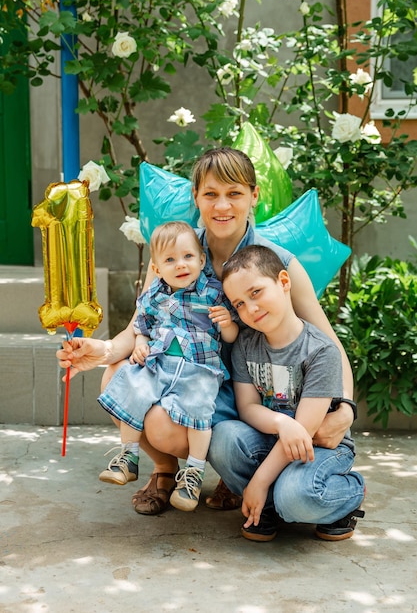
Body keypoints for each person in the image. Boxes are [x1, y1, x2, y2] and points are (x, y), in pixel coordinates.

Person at [57, 147, 355, 517]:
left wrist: (345, 407)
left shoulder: (277, 263)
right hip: (179, 371)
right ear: (195, 197)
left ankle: (235, 472)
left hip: (244, 388)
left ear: (254, 196)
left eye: (234, 194)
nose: (222, 206)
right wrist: (101, 350)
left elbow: (328, 341)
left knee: (168, 426)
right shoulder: (174, 251)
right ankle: (165, 471)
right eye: (211, 194)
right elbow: (139, 326)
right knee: (114, 377)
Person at [218, 244, 365, 541]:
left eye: (256, 292)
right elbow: (247, 407)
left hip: (319, 448)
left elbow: (307, 428)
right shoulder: (246, 344)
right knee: (224, 437)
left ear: (284, 282)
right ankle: (267, 508)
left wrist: (258, 480)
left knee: (295, 497)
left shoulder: (321, 350)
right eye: (239, 304)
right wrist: (280, 423)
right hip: (274, 437)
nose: (251, 309)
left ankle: (347, 496)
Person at [97, 221, 238, 511]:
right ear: (157, 269)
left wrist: (227, 323)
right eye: (170, 260)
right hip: (160, 363)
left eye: (188, 257)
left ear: (201, 260)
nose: (181, 265)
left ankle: (193, 475)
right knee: (131, 387)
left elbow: (231, 337)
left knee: (199, 411)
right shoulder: (154, 295)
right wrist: (138, 342)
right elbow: (141, 326)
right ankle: (128, 457)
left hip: (200, 369)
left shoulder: (213, 293)